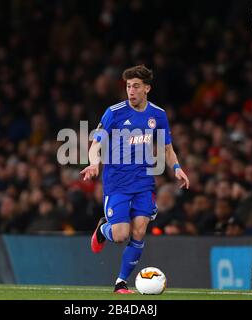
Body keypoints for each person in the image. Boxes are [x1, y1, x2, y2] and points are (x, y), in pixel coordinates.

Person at [80, 65, 189, 294]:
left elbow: (167, 149)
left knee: (138, 231)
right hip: (117, 182)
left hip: (143, 182)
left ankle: (121, 282)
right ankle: (102, 230)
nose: (131, 91)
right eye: (128, 86)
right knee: (121, 235)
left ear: (147, 88)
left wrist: (177, 168)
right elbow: (96, 144)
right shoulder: (114, 112)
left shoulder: (157, 115)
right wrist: (93, 162)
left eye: (136, 86)